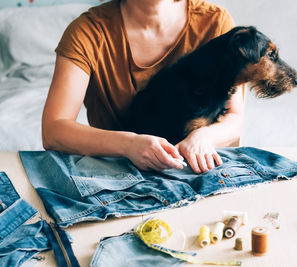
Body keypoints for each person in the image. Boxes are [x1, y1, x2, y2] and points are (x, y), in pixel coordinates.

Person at [42, 0, 244, 174]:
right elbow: (54, 130)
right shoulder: (86, 32)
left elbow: (235, 117)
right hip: (118, 175)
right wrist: (129, 145)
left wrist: (203, 138)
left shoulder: (216, 22)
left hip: (202, 170)